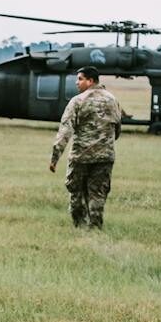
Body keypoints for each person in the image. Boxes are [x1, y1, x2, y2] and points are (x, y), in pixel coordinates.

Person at [48, 65, 123, 228]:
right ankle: (95, 227)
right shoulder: (112, 99)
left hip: (80, 156)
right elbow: (117, 128)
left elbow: (65, 130)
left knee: (76, 192)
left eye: (80, 79)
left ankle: (79, 227)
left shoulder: (78, 101)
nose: (77, 83)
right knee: (98, 194)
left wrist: (55, 158)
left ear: (90, 81)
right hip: (105, 156)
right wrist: (106, 144)